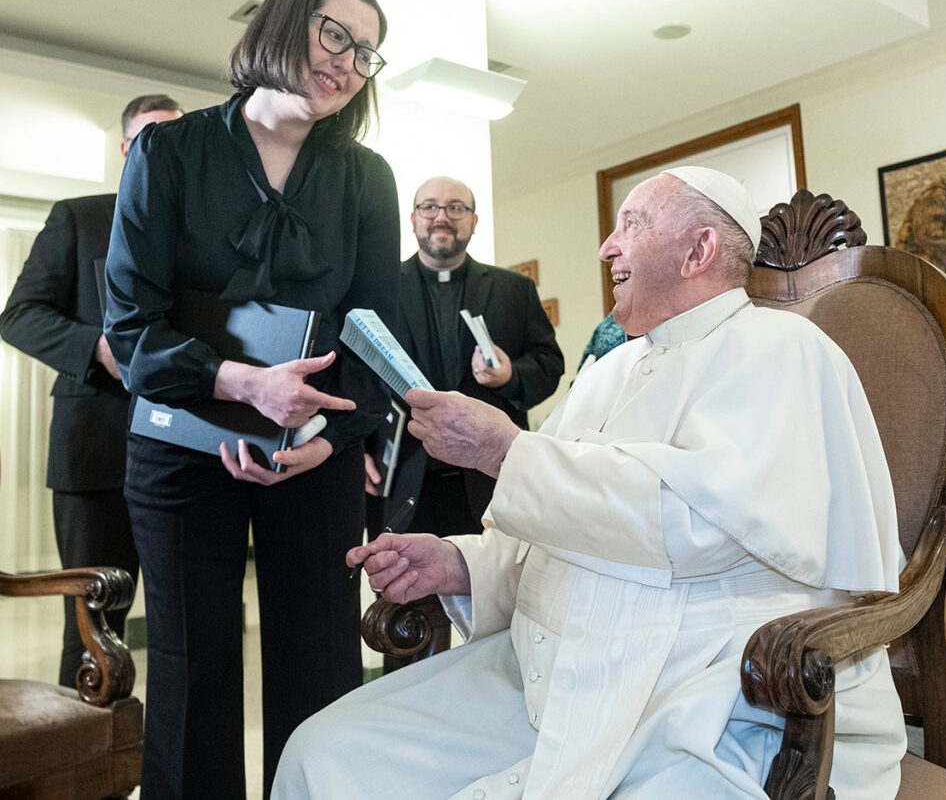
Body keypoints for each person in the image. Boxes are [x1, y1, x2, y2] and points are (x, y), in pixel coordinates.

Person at [273, 166, 906, 800]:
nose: (607, 246)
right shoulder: (608, 370)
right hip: (545, 673)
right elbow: (556, 532)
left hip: (697, 690)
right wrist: (463, 565)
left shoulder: (781, 348)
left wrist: (503, 450)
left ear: (700, 250)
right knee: (323, 754)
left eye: (631, 224)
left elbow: (695, 524)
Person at [103, 0, 399, 800]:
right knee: (193, 669)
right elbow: (130, 326)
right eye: (334, 34)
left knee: (322, 661)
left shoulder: (366, 178)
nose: (346, 61)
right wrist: (242, 381)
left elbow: (371, 333)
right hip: (181, 452)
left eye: (366, 53)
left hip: (314, 454)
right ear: (283, 23)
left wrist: (336, 438)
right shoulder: (168, 151)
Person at [0, 94, 181, 687]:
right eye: (152, 139)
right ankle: (87, 767)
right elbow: (19, 315)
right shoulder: (77, 218)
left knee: (187, 619)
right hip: (95, 454)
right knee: (92, 622)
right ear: (126, 148)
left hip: (185, 450)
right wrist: (95, 348)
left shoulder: (199, 236)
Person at [364, 175, 563, 538]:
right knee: (403, 593)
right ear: (413, 219)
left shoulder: (514, 290)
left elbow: (550, 364)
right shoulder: (378, 288)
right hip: (402, 477)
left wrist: (510, 376)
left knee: (498, 592)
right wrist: (356, 449)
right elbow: (355, 375)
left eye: (456, 208)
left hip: (492, 481)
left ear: (473, 221)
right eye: (429, 207)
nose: (441, 217)